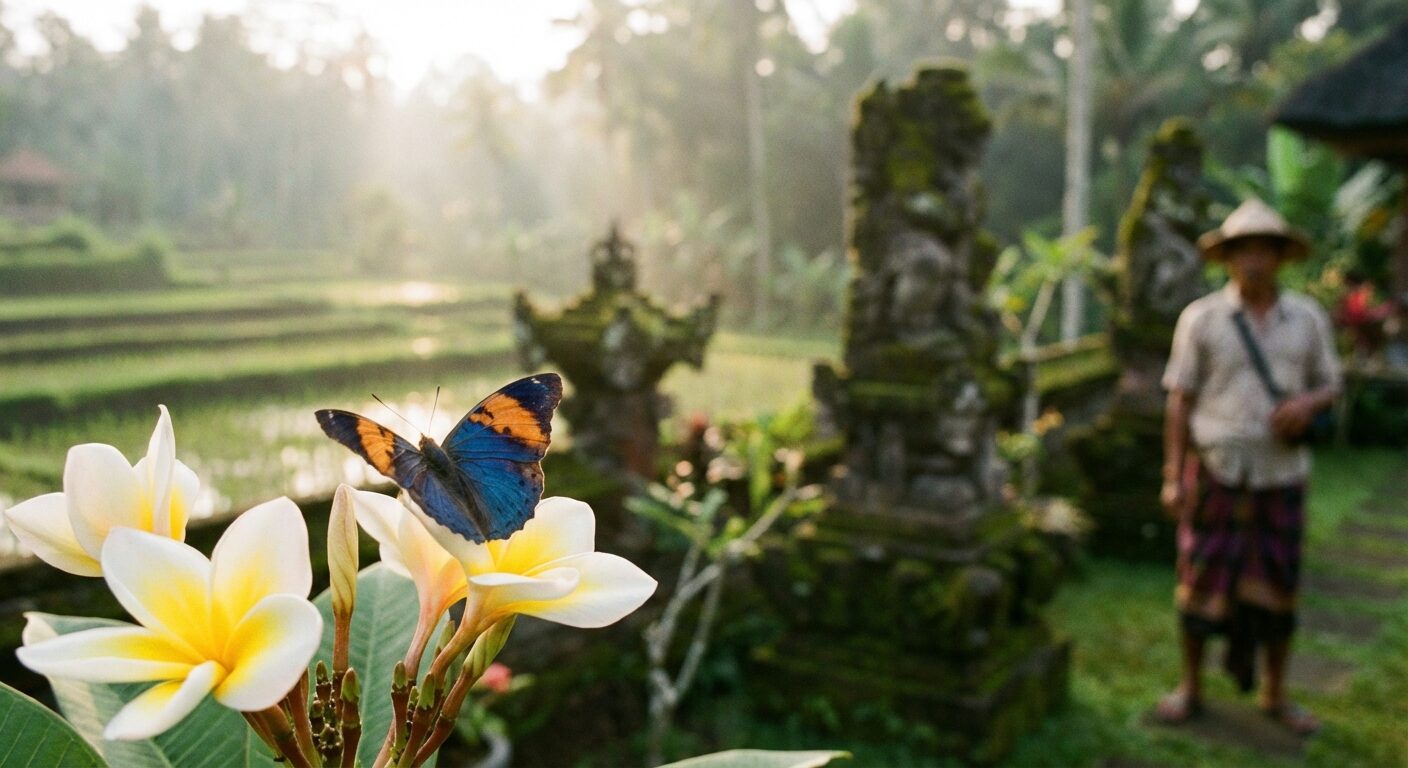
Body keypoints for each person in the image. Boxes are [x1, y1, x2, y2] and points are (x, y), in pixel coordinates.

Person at [1155, 199, 1342, 735]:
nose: (1254, 260)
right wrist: (1172, 475)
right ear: (1229, 258)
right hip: (1216, 470)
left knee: (1279, 584)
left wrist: (1307, 404)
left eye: (1264, 249)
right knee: (1198, 580)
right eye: (1244, 250)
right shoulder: (1202, 319)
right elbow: (1179, 401)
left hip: (1279, 475)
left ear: (1281, 257)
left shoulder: (1307, 318)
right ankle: (1190, 686)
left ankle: (1274, 692)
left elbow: (1331, 383)